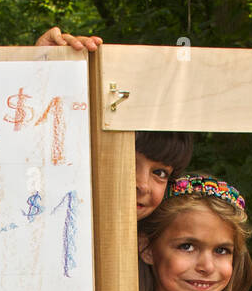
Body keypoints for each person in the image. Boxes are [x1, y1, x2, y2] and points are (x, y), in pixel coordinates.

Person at [34, 27, 190, 220]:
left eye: (159, 172)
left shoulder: (165, 243)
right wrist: (40, 74)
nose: (141, 184)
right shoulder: (50, 219)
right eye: (127, 162)